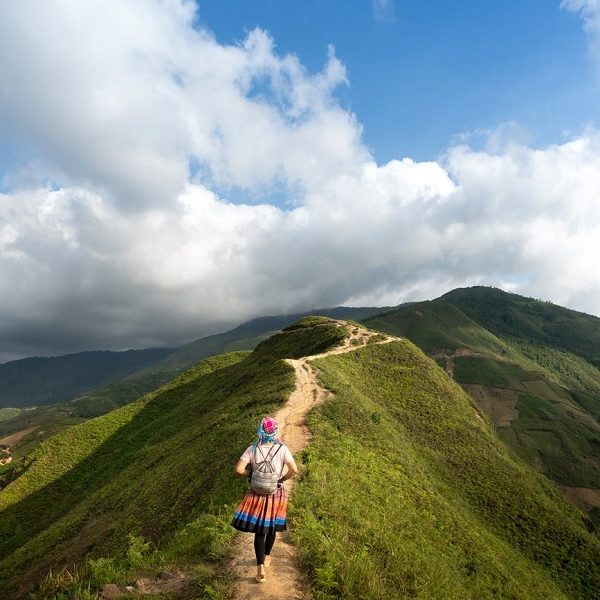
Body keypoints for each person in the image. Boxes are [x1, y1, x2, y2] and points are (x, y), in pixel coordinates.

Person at [231, 415, 299, 583]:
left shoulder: (252, 448)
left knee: (259, 531)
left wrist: (251, 474)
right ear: (274, 431)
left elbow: (239, 469)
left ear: (260, 430)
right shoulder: (282, 449)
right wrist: (282, 479)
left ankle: (260, 566)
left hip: (256, 493)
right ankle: (267, 556)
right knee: (272, 527)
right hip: (275, 493)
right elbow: (294, 470)